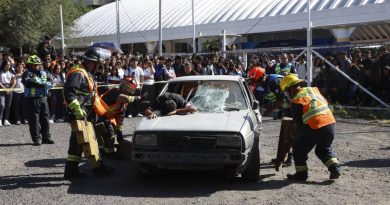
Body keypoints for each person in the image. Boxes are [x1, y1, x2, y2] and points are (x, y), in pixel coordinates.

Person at [63, 47, 115, 179]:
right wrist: (78, 110)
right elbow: (69, 92)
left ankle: (73, 170)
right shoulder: (78, 73)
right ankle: (96, 168)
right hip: (80, 114)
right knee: (82, 141)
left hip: (87, 113)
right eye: (98, 64)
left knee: (81, 142)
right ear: (92, 62)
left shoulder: (87, 74)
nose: (99, 66)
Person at [279, 74, 340, 181]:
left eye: (286, 92)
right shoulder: (313, 90)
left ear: (290, 89)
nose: (287, 95)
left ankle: (301, 174)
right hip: (330, 123)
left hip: (315, 125)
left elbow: (298, 123)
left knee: (298, 149)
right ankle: (335, 169)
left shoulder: (296, 100)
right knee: (323, 149)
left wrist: (294, 138)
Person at [96, 77, 140, 157]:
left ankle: (104, 151)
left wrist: (120, 138)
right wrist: (139, 98)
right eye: (126, 87)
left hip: (106, 117)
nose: (127, 90)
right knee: (110, 133)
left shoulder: (124, 103)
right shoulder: (115, 92)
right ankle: (109, 154)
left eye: (130, 89)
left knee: (111, 131)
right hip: (97, 116)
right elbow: (122, 97)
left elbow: (120, 120)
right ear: (122, 85)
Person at [22, 55, 54, 145]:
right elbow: (27, 82)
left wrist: (47, 83)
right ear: (30, 65)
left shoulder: (44, 72)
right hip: (32, 99)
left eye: (38, 64)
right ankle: (37, 138)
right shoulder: (27, 73)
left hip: (43, 98)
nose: (37, 66)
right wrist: (40, 84)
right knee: (34, 119)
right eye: (35, 64)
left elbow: (51, 80)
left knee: (45, 117)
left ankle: (46, 137)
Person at [0, 59, 15, 126]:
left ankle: (6, 120)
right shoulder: (0, 72)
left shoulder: (11, 72)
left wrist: (10, 89)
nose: (9, 66)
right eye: (7, 64)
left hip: (9, 87)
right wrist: (4, 88)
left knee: (8, 105)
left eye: (9, 65)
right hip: (2, 88)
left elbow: (14, 81)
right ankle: (0, 119)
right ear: (4, 65)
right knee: (2, 105)